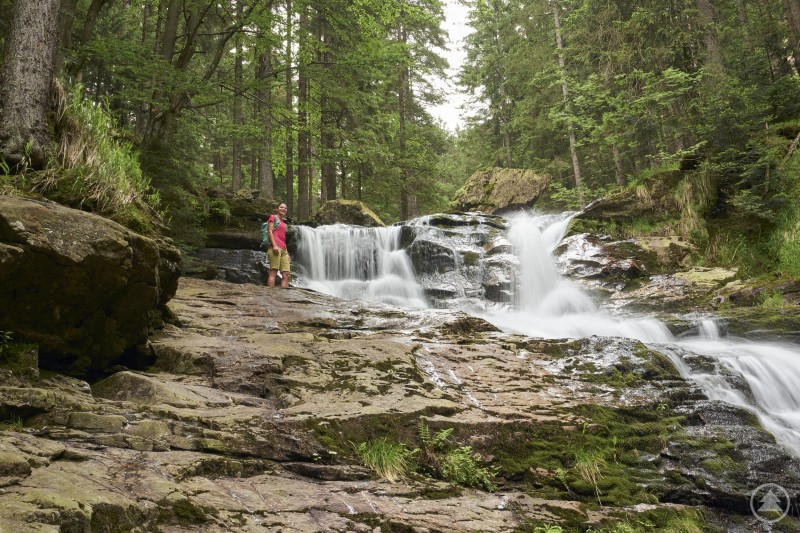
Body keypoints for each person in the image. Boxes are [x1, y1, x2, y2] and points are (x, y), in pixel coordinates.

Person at [266, 203, 290, 288]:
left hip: (283, 249)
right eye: (281, 207)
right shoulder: (273, 217)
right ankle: (270, 294)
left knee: (286, 274)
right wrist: (274, 245)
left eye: (285, 208)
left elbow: (283, 238)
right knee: (274, 272)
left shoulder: (284, 223)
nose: (283, 209)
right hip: (275, 247)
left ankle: (283, 297)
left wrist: (287, 253)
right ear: (277, 209)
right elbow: (270, 231)